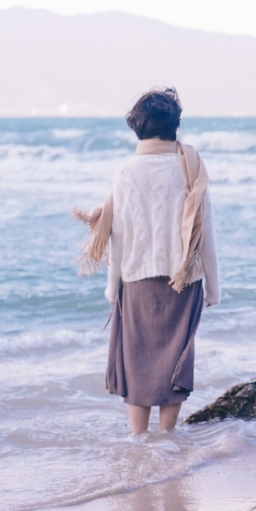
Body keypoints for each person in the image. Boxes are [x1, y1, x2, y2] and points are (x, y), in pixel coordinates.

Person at [73, 88, 219, 435]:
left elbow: (117, 234)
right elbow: (206, 231)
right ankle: (167, 439)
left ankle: (138, 441)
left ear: (137, 127)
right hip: (182, 281)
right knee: (176, 361)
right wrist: (214, 287)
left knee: (136, 361)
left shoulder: (126, 170)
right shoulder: (192, 167)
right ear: (175, 126)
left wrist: (112, 286)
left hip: (136, 281)